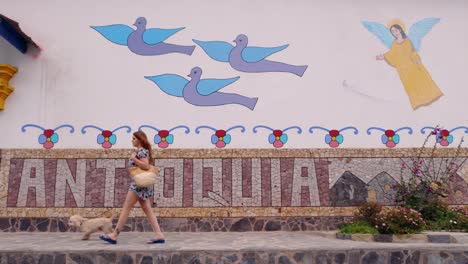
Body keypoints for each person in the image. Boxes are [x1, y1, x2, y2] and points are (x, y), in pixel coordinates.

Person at [99, 131, 165, 244]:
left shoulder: (142, 151)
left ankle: (114, 235)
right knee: (147, 209)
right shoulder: (140, 151)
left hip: (137, 185)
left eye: (134, 138)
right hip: (140, 184)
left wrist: (134, 159)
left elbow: (146, 165)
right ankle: (159, 235)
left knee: (126, 208)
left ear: (139, 139)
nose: (132, 140)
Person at [376, 23, 443, 110]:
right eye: (392, 31)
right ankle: (418, 102)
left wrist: (417, 59)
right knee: (410, 86)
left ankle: (429, 98)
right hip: (403, 70)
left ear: (400, 30)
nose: (394, 33)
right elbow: (392, 54)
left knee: (420, 82)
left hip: (412, 66)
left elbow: (412, 52)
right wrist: (383, 56)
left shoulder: (407, 41)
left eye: (395, 30)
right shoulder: (394, 44)